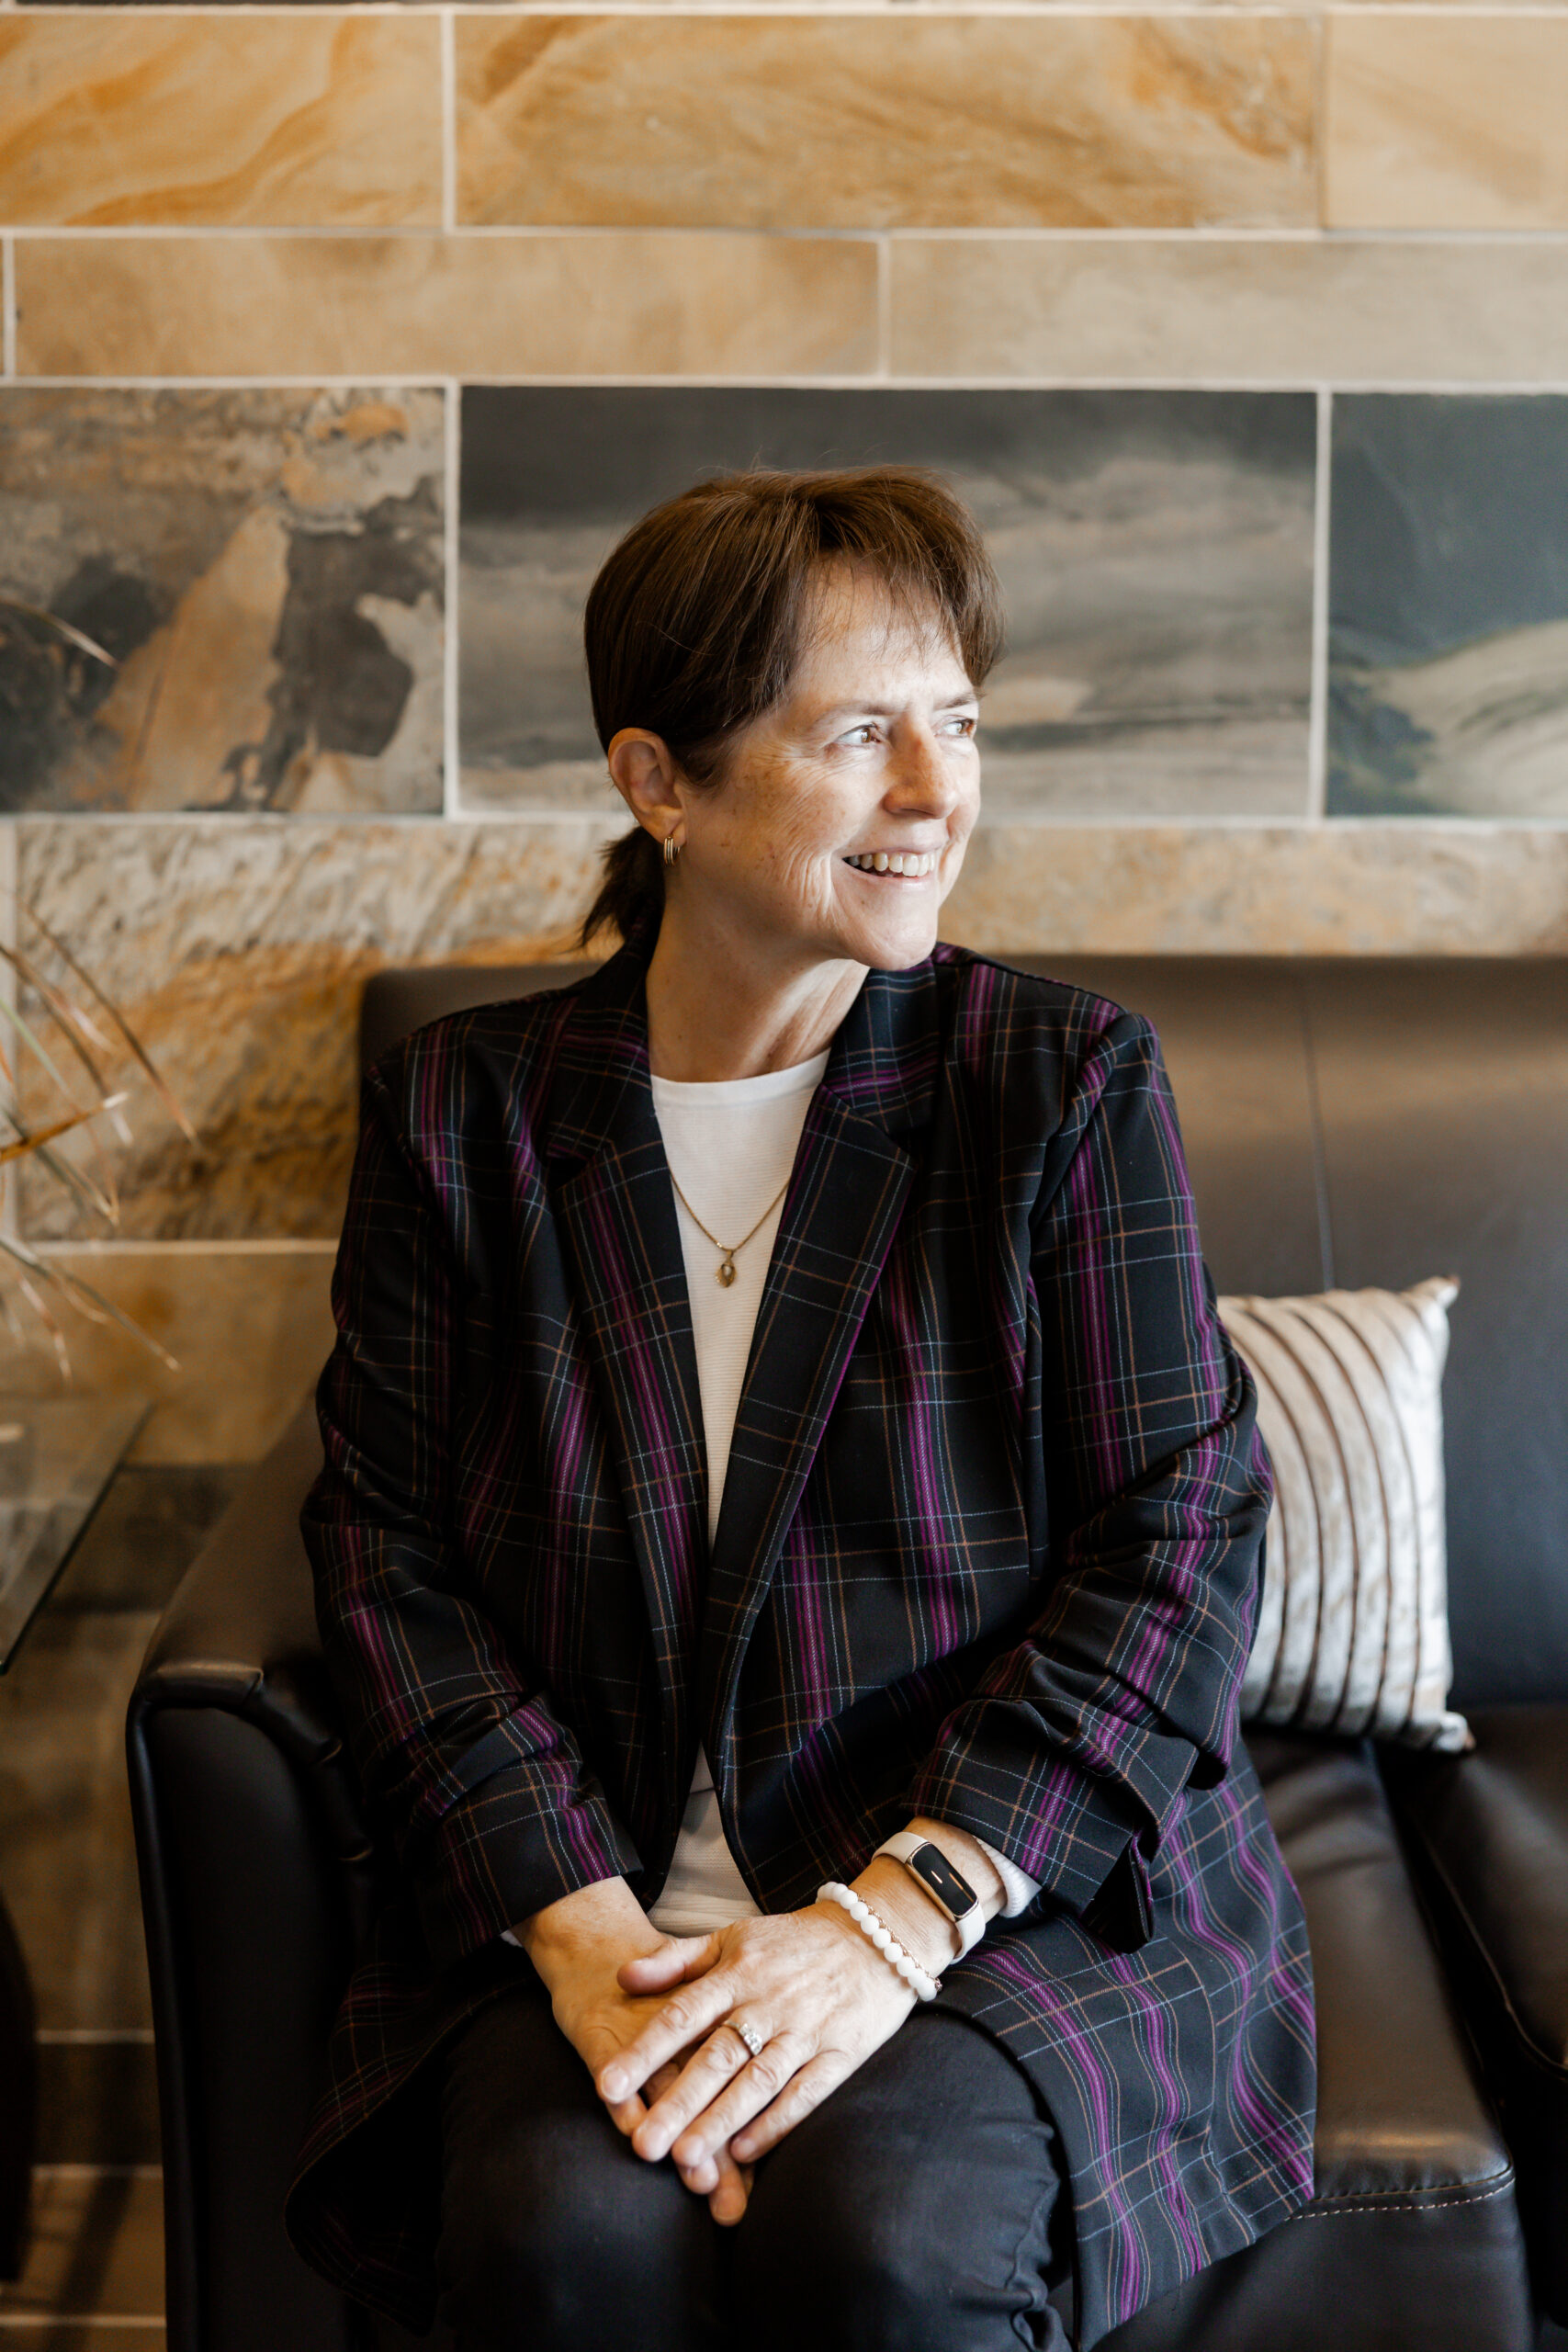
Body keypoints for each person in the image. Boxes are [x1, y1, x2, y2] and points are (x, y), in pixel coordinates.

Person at [288, 467, 1315, 2352]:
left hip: (986, 1893)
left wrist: (885, 1922)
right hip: (598, 1901)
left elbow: (1176, 1541)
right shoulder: (466, 1116)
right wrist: (574, 1919)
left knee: (888, 2242)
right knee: (545, 2234)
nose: (937, 792)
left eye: (959, 723)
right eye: (859, 732)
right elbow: (384, 1555)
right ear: (655, 779)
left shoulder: (1057, 1082)